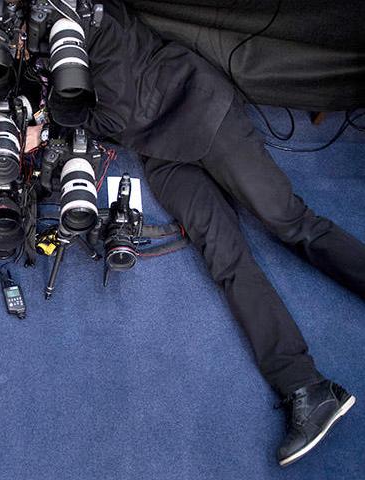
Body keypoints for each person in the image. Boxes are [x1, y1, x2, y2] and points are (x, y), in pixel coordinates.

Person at [25, 0, 363, 466]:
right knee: (225, 259)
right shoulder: (34, 30)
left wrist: (50, 123)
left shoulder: (87, 18)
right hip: (157, 149)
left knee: (290, 223)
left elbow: (115, 116)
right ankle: (306, 388)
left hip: (198, 107)